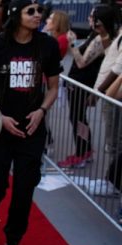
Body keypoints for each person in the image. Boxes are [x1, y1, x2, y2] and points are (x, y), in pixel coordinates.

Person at [0, 0, 62, 245]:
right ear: (16, 14)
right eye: (31, 11)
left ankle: (13, 242)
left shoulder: (47, 45)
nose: (38, 15)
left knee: (25, 188)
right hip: (0, 129)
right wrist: (0, 117)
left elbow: (54, 87)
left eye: (40, 11)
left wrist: (42, 111)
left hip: (32, 131)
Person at [58, 6, 108, 168]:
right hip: (77, 83)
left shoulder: (101, 39)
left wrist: (72, 45)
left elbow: (81, 63)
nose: (88, 18)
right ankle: (83, 151)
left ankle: (83, 152)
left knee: (78, 118)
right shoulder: (94, 35)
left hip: (82, 84)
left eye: (92, 16)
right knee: (77, 118)